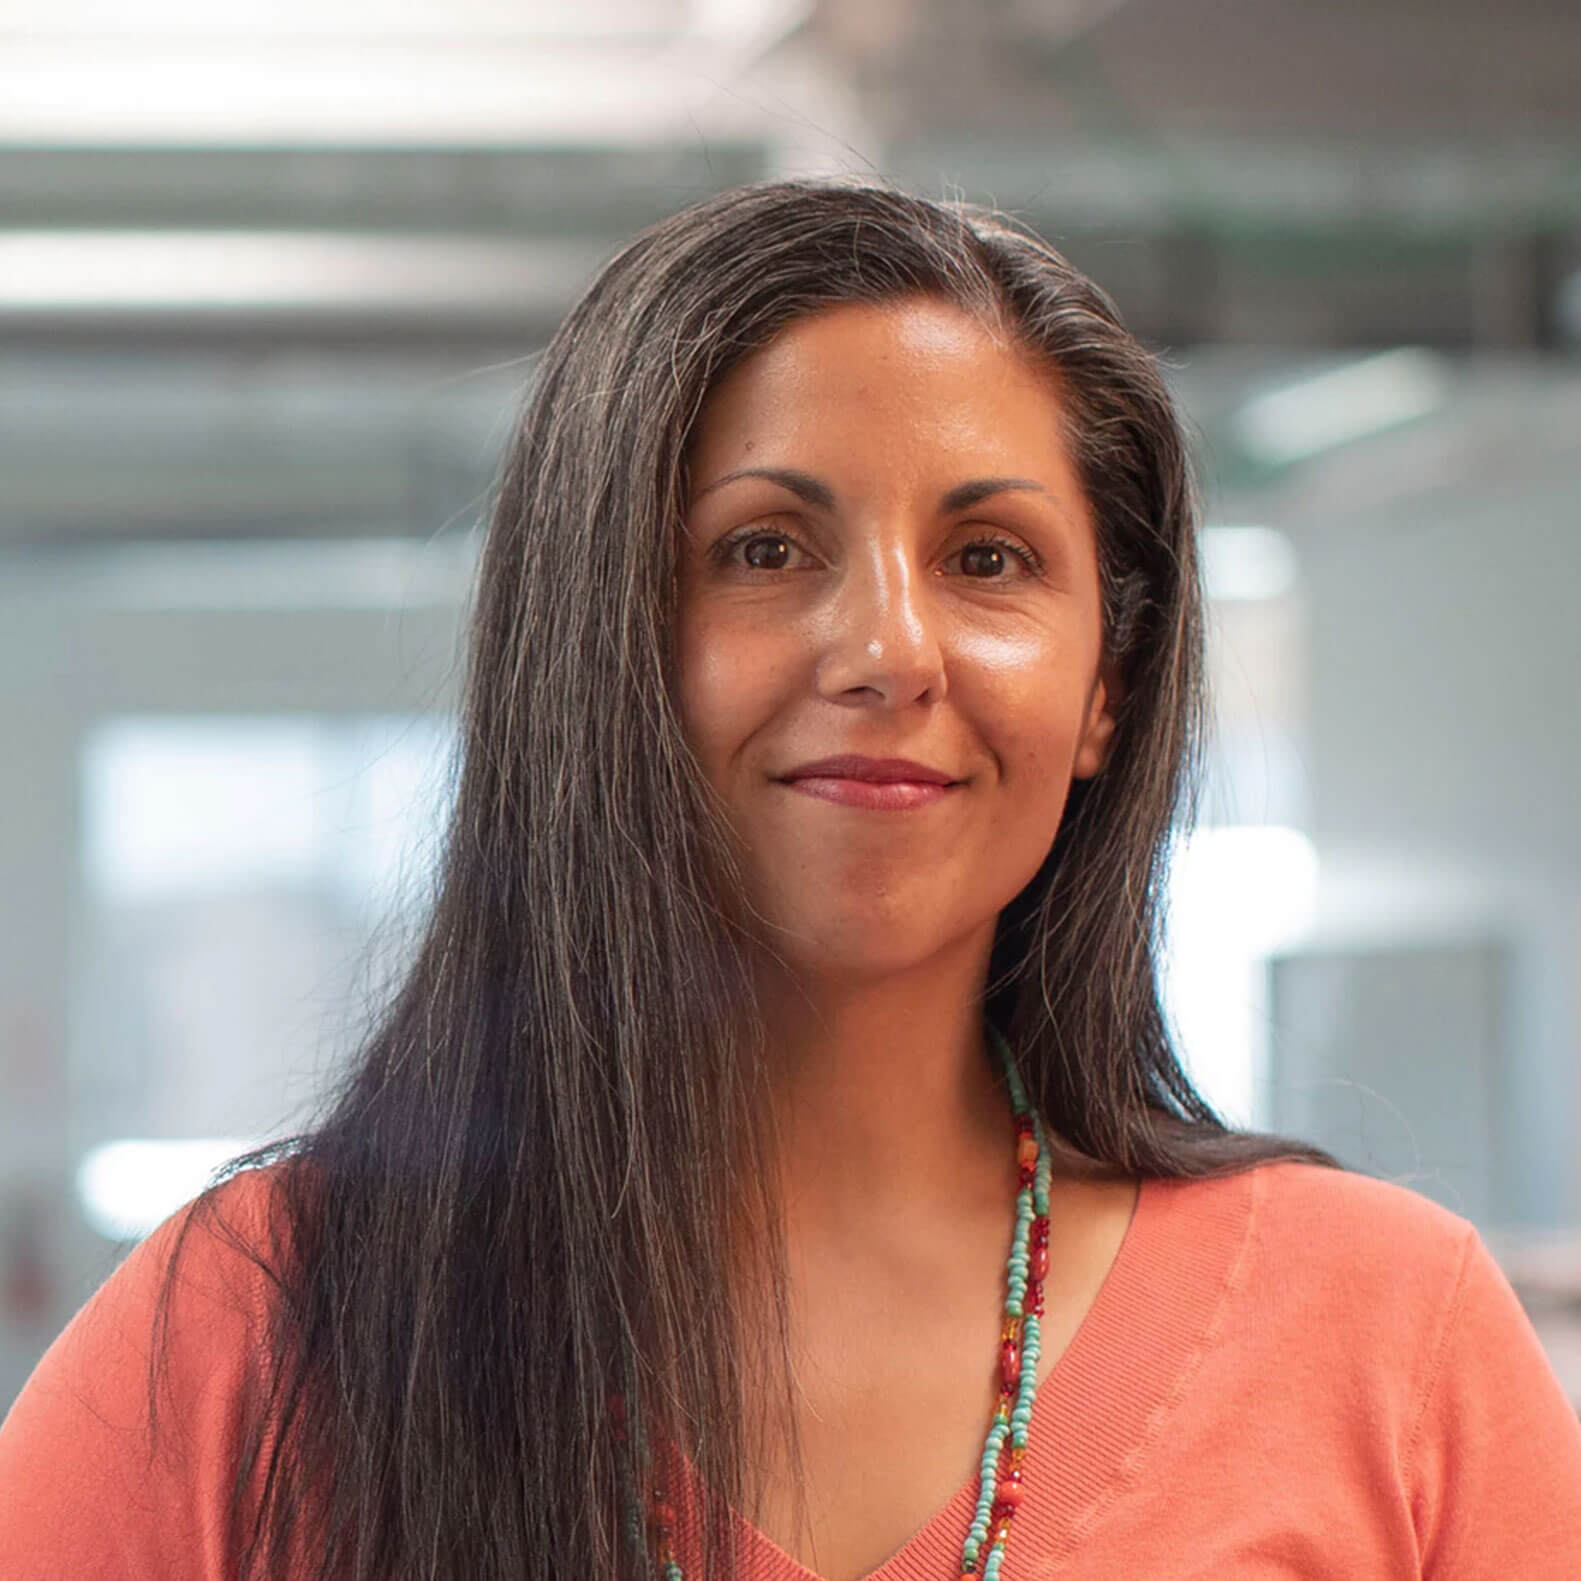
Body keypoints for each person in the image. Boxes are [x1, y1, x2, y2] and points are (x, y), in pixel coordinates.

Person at [2, 177, 1578, 1581]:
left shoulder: (1391, 1335)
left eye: (988, 560)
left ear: (1108, 685)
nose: (888, 649)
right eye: (762, 548)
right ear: (593, 649)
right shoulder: (249, 1331)